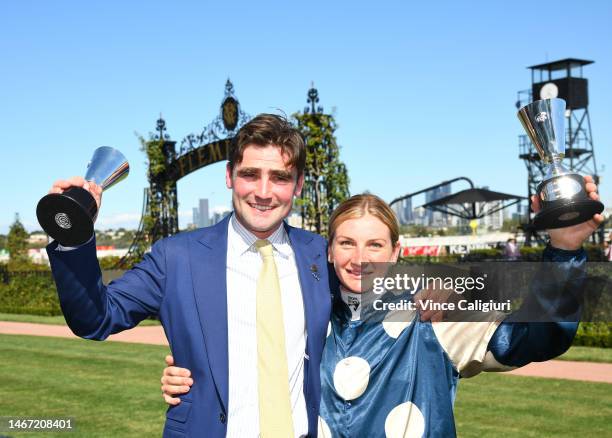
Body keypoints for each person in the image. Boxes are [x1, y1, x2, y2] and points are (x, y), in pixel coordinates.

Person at [162, 190, 602, 437]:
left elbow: (538, 338)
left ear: (397, 252)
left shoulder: (433, 315)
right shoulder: (301, 317)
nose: (360, 258)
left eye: (375, 244)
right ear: (329, 251)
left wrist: (563, 251)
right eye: (347, 243)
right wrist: (187, 375)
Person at [46, 114, 332, 437]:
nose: (263, 192)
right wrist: (73, 235)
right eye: (250, 174)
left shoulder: (321, 255)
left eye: (279, 177)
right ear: (229, 176)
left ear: (299, 184)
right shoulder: (176, 257)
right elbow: (95, 318)